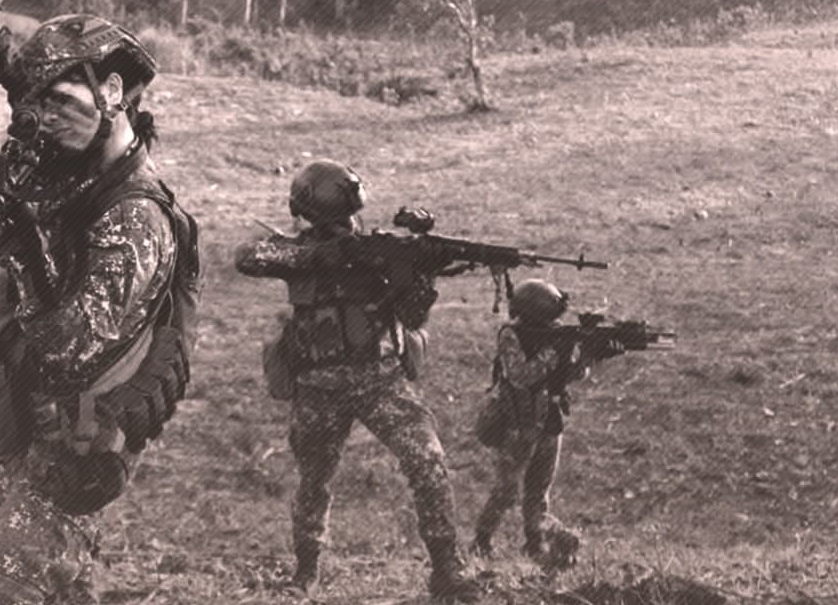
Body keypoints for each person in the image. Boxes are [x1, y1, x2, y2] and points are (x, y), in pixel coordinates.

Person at [0, 12, 200, 605]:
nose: (45, 118)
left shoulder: (135, 215)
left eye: (61, 100)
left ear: (112, 92)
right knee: (64, 588)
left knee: (4, 589)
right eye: (37, 104)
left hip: (76, 433)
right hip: (24, 417)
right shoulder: (62, 168)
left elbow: (67, 347)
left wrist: (27, 252)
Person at [233, 160, 483, 602]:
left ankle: (448, 569)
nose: (349, 225)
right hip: (318, 387)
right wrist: (325, 256)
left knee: (428, 461)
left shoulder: (380, 252)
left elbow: (411, 316)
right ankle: (305, 574)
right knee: (314, 481)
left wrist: (419, 274)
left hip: (381, 379)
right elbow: (249, 257)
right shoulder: (299, 251)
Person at [472, 279, 586, 569]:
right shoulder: (511, 334)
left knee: (539, 490)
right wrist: (553, 352)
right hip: (518, 423)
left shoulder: (556, 336)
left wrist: (587, 356)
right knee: (506, 490)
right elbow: (520, 375)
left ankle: (535, 543)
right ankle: (482, 541)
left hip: (549, 421)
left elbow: (568, 375)